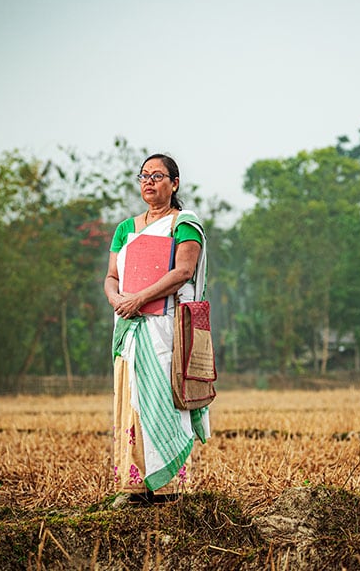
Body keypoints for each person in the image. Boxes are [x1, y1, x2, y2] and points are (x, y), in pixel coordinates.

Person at [103, 153, 210, 504]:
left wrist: (138, 299)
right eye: (144, 175)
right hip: (129, 327)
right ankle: (134, 488)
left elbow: (183, 272)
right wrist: (118, 300)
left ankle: (168, 489)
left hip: (166, 327)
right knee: (131, 401)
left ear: (174, 183)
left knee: (164, 400)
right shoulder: (126, 228)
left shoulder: (184, 223)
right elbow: (112, 277)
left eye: (158, 175)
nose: (149, 181)